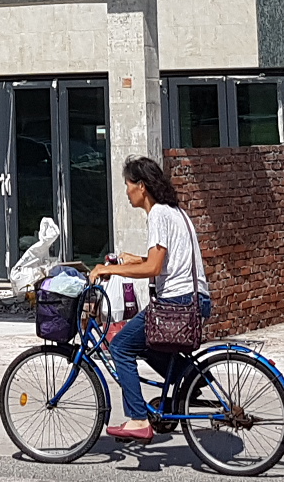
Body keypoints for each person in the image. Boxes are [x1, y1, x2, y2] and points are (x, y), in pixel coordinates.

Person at [89, 156, 208, 441]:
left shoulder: (157, 215)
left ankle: (138, 420)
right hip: (195, 299)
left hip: (177, 303)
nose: (126, 191)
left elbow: (154, 269)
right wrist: (135, 260)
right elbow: (163, 263)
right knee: (143, 342)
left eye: (128, 184)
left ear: (141, 186)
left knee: (120, 346)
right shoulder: (174, 212)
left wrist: (109, 269)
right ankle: (190, 378)